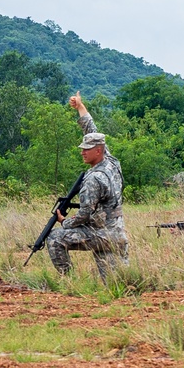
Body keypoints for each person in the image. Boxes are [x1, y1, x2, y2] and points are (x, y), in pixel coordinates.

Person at [46, 92, 129, 280]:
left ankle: (69, 283)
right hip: (117, 234)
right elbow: (91, 130)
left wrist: (64, 222)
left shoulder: (94, 179)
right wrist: (80, 107)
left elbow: (84, 214)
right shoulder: (111, 162)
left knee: (55, 238)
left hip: (101, 236)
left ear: (98, 151)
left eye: (86, 149)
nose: (82, 152)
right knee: (117, 284)